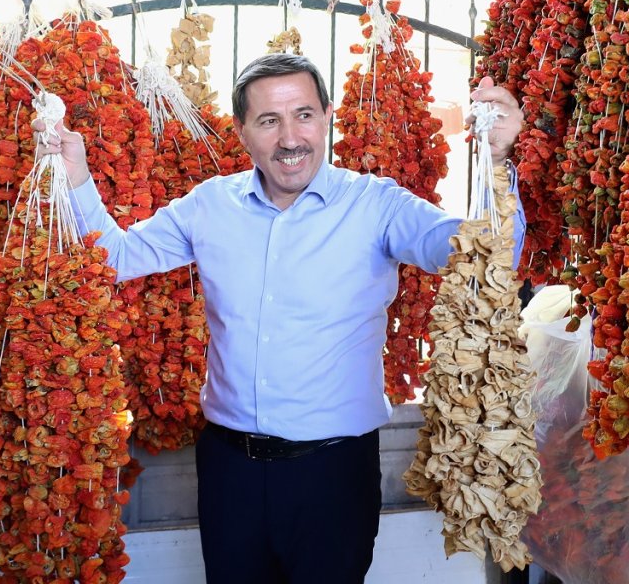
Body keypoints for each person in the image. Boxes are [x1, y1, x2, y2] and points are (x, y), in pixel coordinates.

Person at [44, 53, 525, 583]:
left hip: (333, 473)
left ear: (327, 117)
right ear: (242, 132)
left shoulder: (377, 206)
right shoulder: (210, 205)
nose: (290, 138)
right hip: (230, 470)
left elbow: (485, 260)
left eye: (304, 115)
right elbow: (114, 258)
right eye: (269, 120)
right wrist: (77, 174)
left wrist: (498, 161)